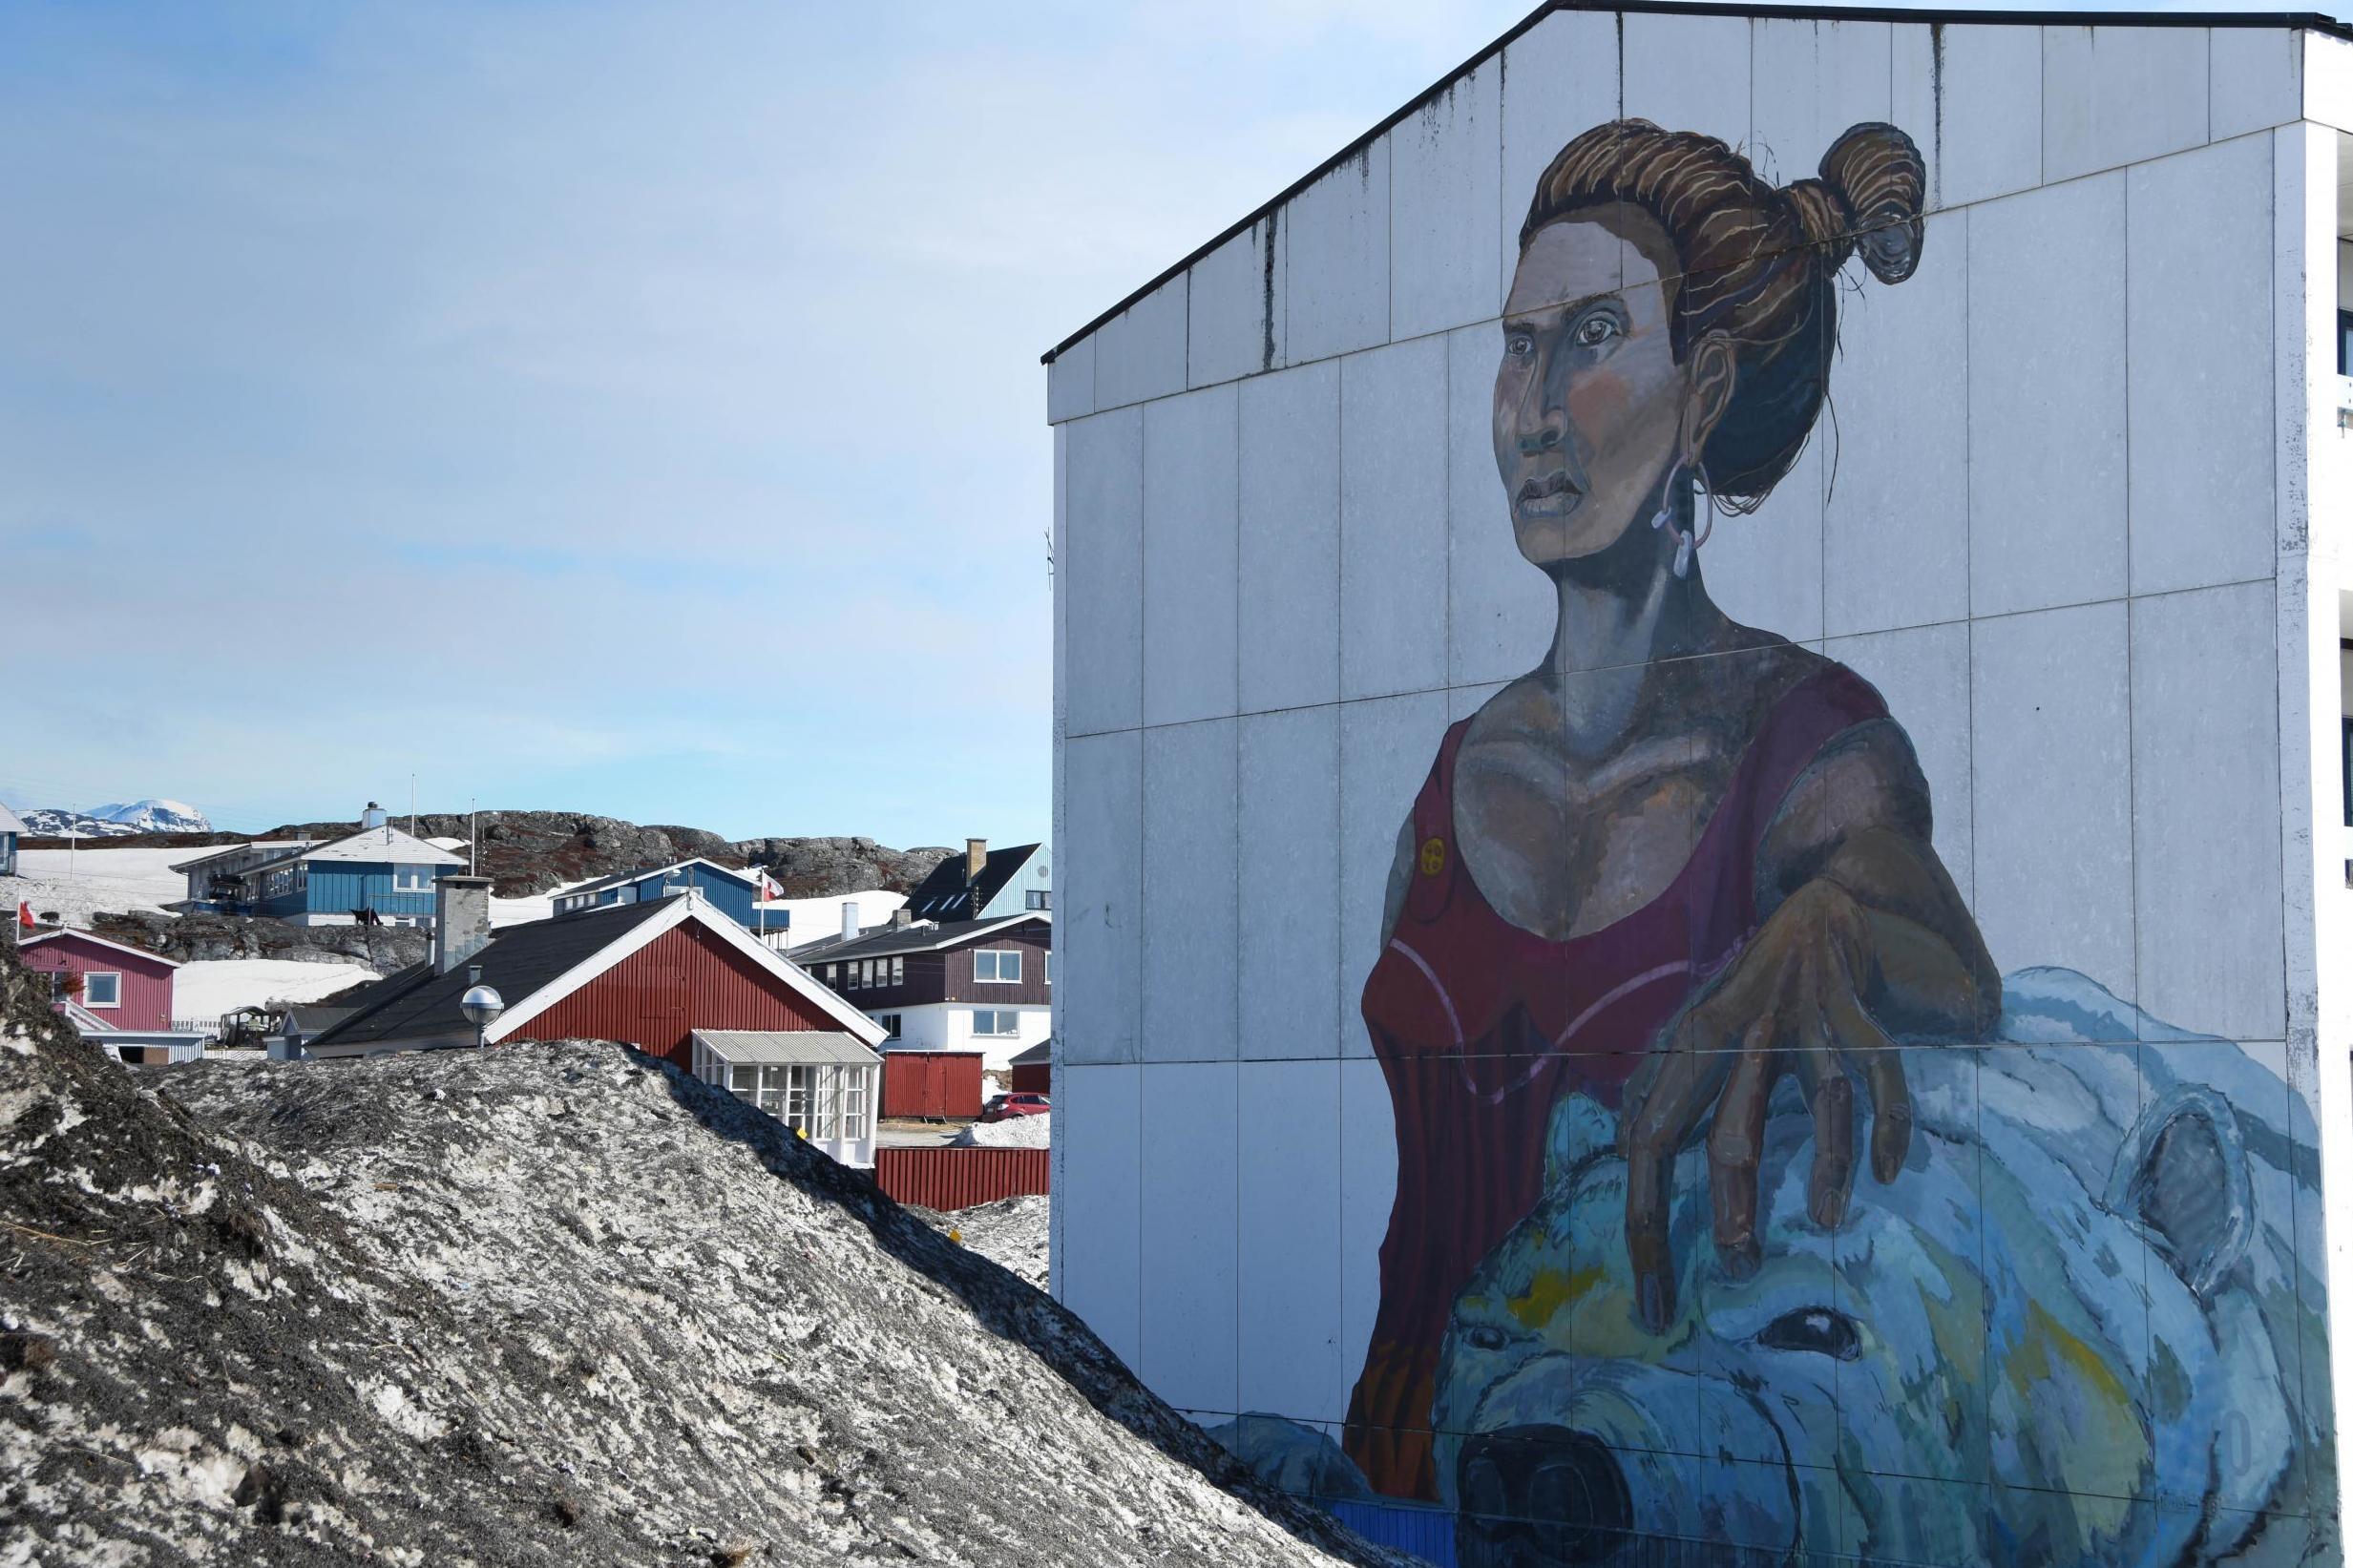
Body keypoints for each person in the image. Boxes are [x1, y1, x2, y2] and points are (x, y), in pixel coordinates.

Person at [1340, 117, 2001, 1501]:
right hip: (1397, 1484)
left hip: (1651, 1498)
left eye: (1589, 336)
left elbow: (1944, 960)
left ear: (1701, 391)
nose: (1531, 404)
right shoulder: (1451, 783)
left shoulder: (1802, 744)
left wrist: (1829, 919)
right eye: (1517, 345)